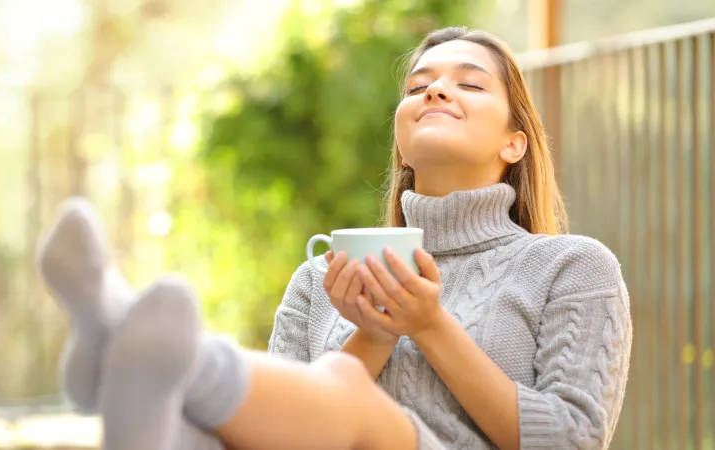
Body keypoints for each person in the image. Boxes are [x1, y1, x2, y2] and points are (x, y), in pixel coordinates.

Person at [36, 26, 632, 450]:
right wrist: (373, 332)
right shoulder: (319, 280)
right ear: (401, 137)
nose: (435, 91)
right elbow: (269, 431)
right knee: (199, 431)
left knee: (343, 385)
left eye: (470, 85)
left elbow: (572, 440)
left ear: (514, 143)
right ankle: (135, 359)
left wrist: (429, 325)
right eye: (419, 85)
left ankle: (134, 336)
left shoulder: (571, 267)